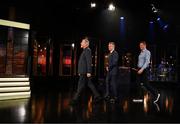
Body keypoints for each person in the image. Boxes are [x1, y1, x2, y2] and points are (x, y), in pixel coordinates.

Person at [70, 38, 101, 105]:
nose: (81, 43)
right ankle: (97, 96)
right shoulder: (85, 50)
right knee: (89, 84)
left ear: (86, 44)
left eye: (82, 42)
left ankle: (75, 100)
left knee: (80, 86)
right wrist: (79, 71)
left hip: (85, 72)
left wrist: (89, 72)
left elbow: (89, 61)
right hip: (83, 72)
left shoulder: (87, 50)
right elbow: (83, 63)